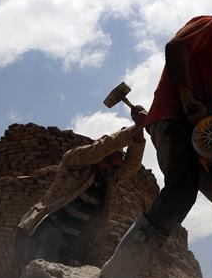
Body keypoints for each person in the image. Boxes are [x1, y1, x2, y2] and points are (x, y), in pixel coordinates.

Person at [100, 14, 212, 278]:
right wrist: (186, 99)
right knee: (181, 190)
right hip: (174, 123)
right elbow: (176, 48)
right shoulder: (211, 27)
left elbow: (211, 117)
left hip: (196, 138)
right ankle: (122, 268)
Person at [17, 104, 148, 265]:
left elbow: (131, 166)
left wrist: (139, 132)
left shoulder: (108, 179)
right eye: (109, 163)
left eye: (114, 166)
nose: (111, 169)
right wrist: (135, 128)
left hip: (72, 243)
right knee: (49, 247)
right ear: (102, 157)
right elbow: (101, 148)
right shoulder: (74, 163)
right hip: (46, 226)